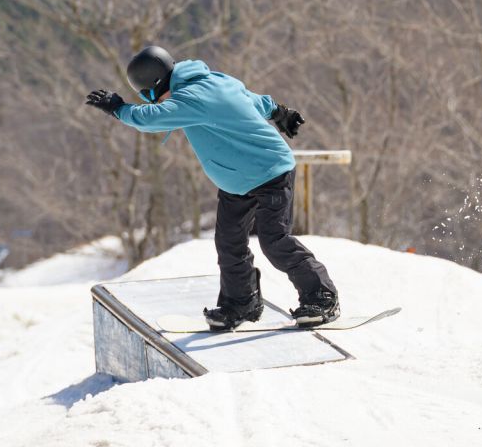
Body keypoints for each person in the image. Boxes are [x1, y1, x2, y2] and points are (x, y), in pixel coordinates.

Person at [85, 46, 339, 329]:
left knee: (274, 239)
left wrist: (119, 108)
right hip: (236, 181)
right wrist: (280, 111)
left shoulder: (192, 98)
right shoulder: (215, 81)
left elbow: (151, 119)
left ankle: (322, 296)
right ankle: (241, 303)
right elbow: (252, 99)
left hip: (270, 173)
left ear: (153, 89)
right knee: (229, 243)